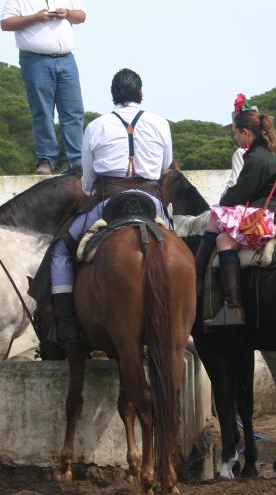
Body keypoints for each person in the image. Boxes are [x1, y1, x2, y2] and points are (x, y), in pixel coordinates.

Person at [48, 68, 173, 344]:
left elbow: (88, 181)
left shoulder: (96, 126)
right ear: (141, 94)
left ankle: (67, 323)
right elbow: (165, 167)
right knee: (181, 243)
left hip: (108, 201)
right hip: (151, 201)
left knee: (59, 249)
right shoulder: (160, 123)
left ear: (113, 96)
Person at [194, 96, 276, 328]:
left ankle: (229, 304)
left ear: (246, 133)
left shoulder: (256, 157)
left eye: (235, 133)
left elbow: (237, 195)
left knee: (222, 235)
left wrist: (221, 204)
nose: (234, 137)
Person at [0, 0, 87, 175]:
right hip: (35, 59)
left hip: (66, 58)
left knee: (73, 111)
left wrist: (66, 13)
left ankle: (76, 161)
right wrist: (35, 18)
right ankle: (46, 160)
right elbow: (6, 23)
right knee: (42, 112)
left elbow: (82, 15)